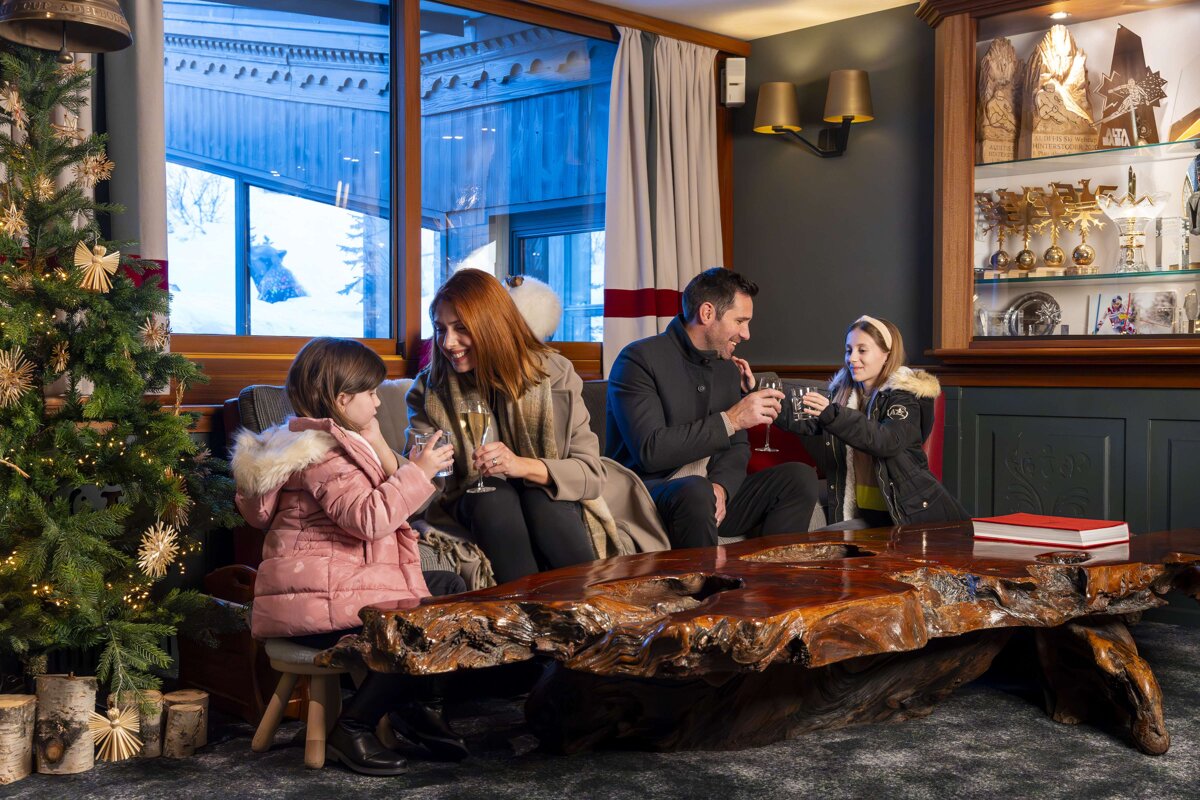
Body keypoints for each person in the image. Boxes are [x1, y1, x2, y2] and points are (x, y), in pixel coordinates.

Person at [232, 337, 468, 776]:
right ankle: (353, 727)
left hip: (338, 590)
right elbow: (369, 518)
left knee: (450, 590)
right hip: (320, 610)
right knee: (414, 623)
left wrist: (378, 441)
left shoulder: (330, 441)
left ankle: (420, 705)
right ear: (343, 399)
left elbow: (398, 504)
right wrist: (419, 472)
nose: (379, 402)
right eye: (371, 394)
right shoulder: (325, 454)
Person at [406, 268, 637, 584]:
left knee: (541, 498)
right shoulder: (429, 390)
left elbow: (591, 475)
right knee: (493, 496)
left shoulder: (553, 374)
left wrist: (520, 466)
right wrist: (420, 468)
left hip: (546, 498)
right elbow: (428, 489)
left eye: (461, 328)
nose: (449, 342)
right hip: (475, 503)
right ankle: (526, 616)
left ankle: (592, 609)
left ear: (491, 326)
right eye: (440, 329)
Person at [605, 267, 821, 548]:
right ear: (707, 313)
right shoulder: (638, 360)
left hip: (709, 496)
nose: (746, 334)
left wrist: (722, 487)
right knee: (697, 490)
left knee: (798, 477)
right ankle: (706, 588)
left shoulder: (728, 369)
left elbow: (738, 447)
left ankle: (773, 582)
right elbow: (650, 451)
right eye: (740, 321)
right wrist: (730, 420)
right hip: (651, 496)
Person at [781, 315, 968, 529]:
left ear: (886, 355)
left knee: (824, 546)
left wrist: (833, 415)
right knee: (820, 546)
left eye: (862, 350)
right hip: (865, 514)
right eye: (849, 350)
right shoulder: (844, 395)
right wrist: (761, 399)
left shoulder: (903, 396)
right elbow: (808, 421)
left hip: (907, 517)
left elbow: (887, 441)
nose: (851, 358)